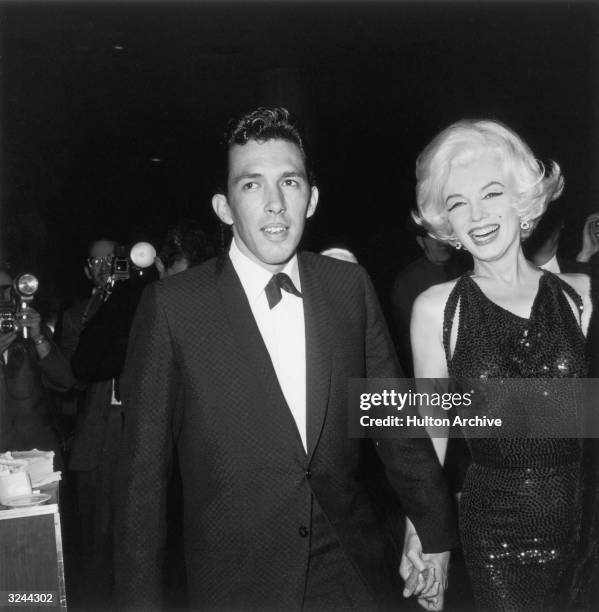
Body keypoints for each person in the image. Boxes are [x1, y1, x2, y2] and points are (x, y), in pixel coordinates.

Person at [114, 107, 457, 611]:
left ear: (311, 198)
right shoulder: (173, 308)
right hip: (237, 585)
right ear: (225, 207)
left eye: (290, 183)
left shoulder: (348, 288)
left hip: (351, 571)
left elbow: (395, 421)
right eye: (251, 185)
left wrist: (433, 532)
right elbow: (142, 486)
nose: (275, 204)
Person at [410, 119, 592, 611]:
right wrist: (424, 537)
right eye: (457, 203)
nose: (476, 215)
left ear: (521, 198)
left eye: (490, 193)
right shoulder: (436, 308)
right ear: (445, 223)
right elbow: (429, 434)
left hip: (585, 527)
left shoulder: (582, 298)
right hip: (498, 536)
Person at [0, 270, 74, 465]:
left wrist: (38, 337)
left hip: (35, 456)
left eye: (8, 292)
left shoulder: (29, 338)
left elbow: (65, 381)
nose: (4, 300)